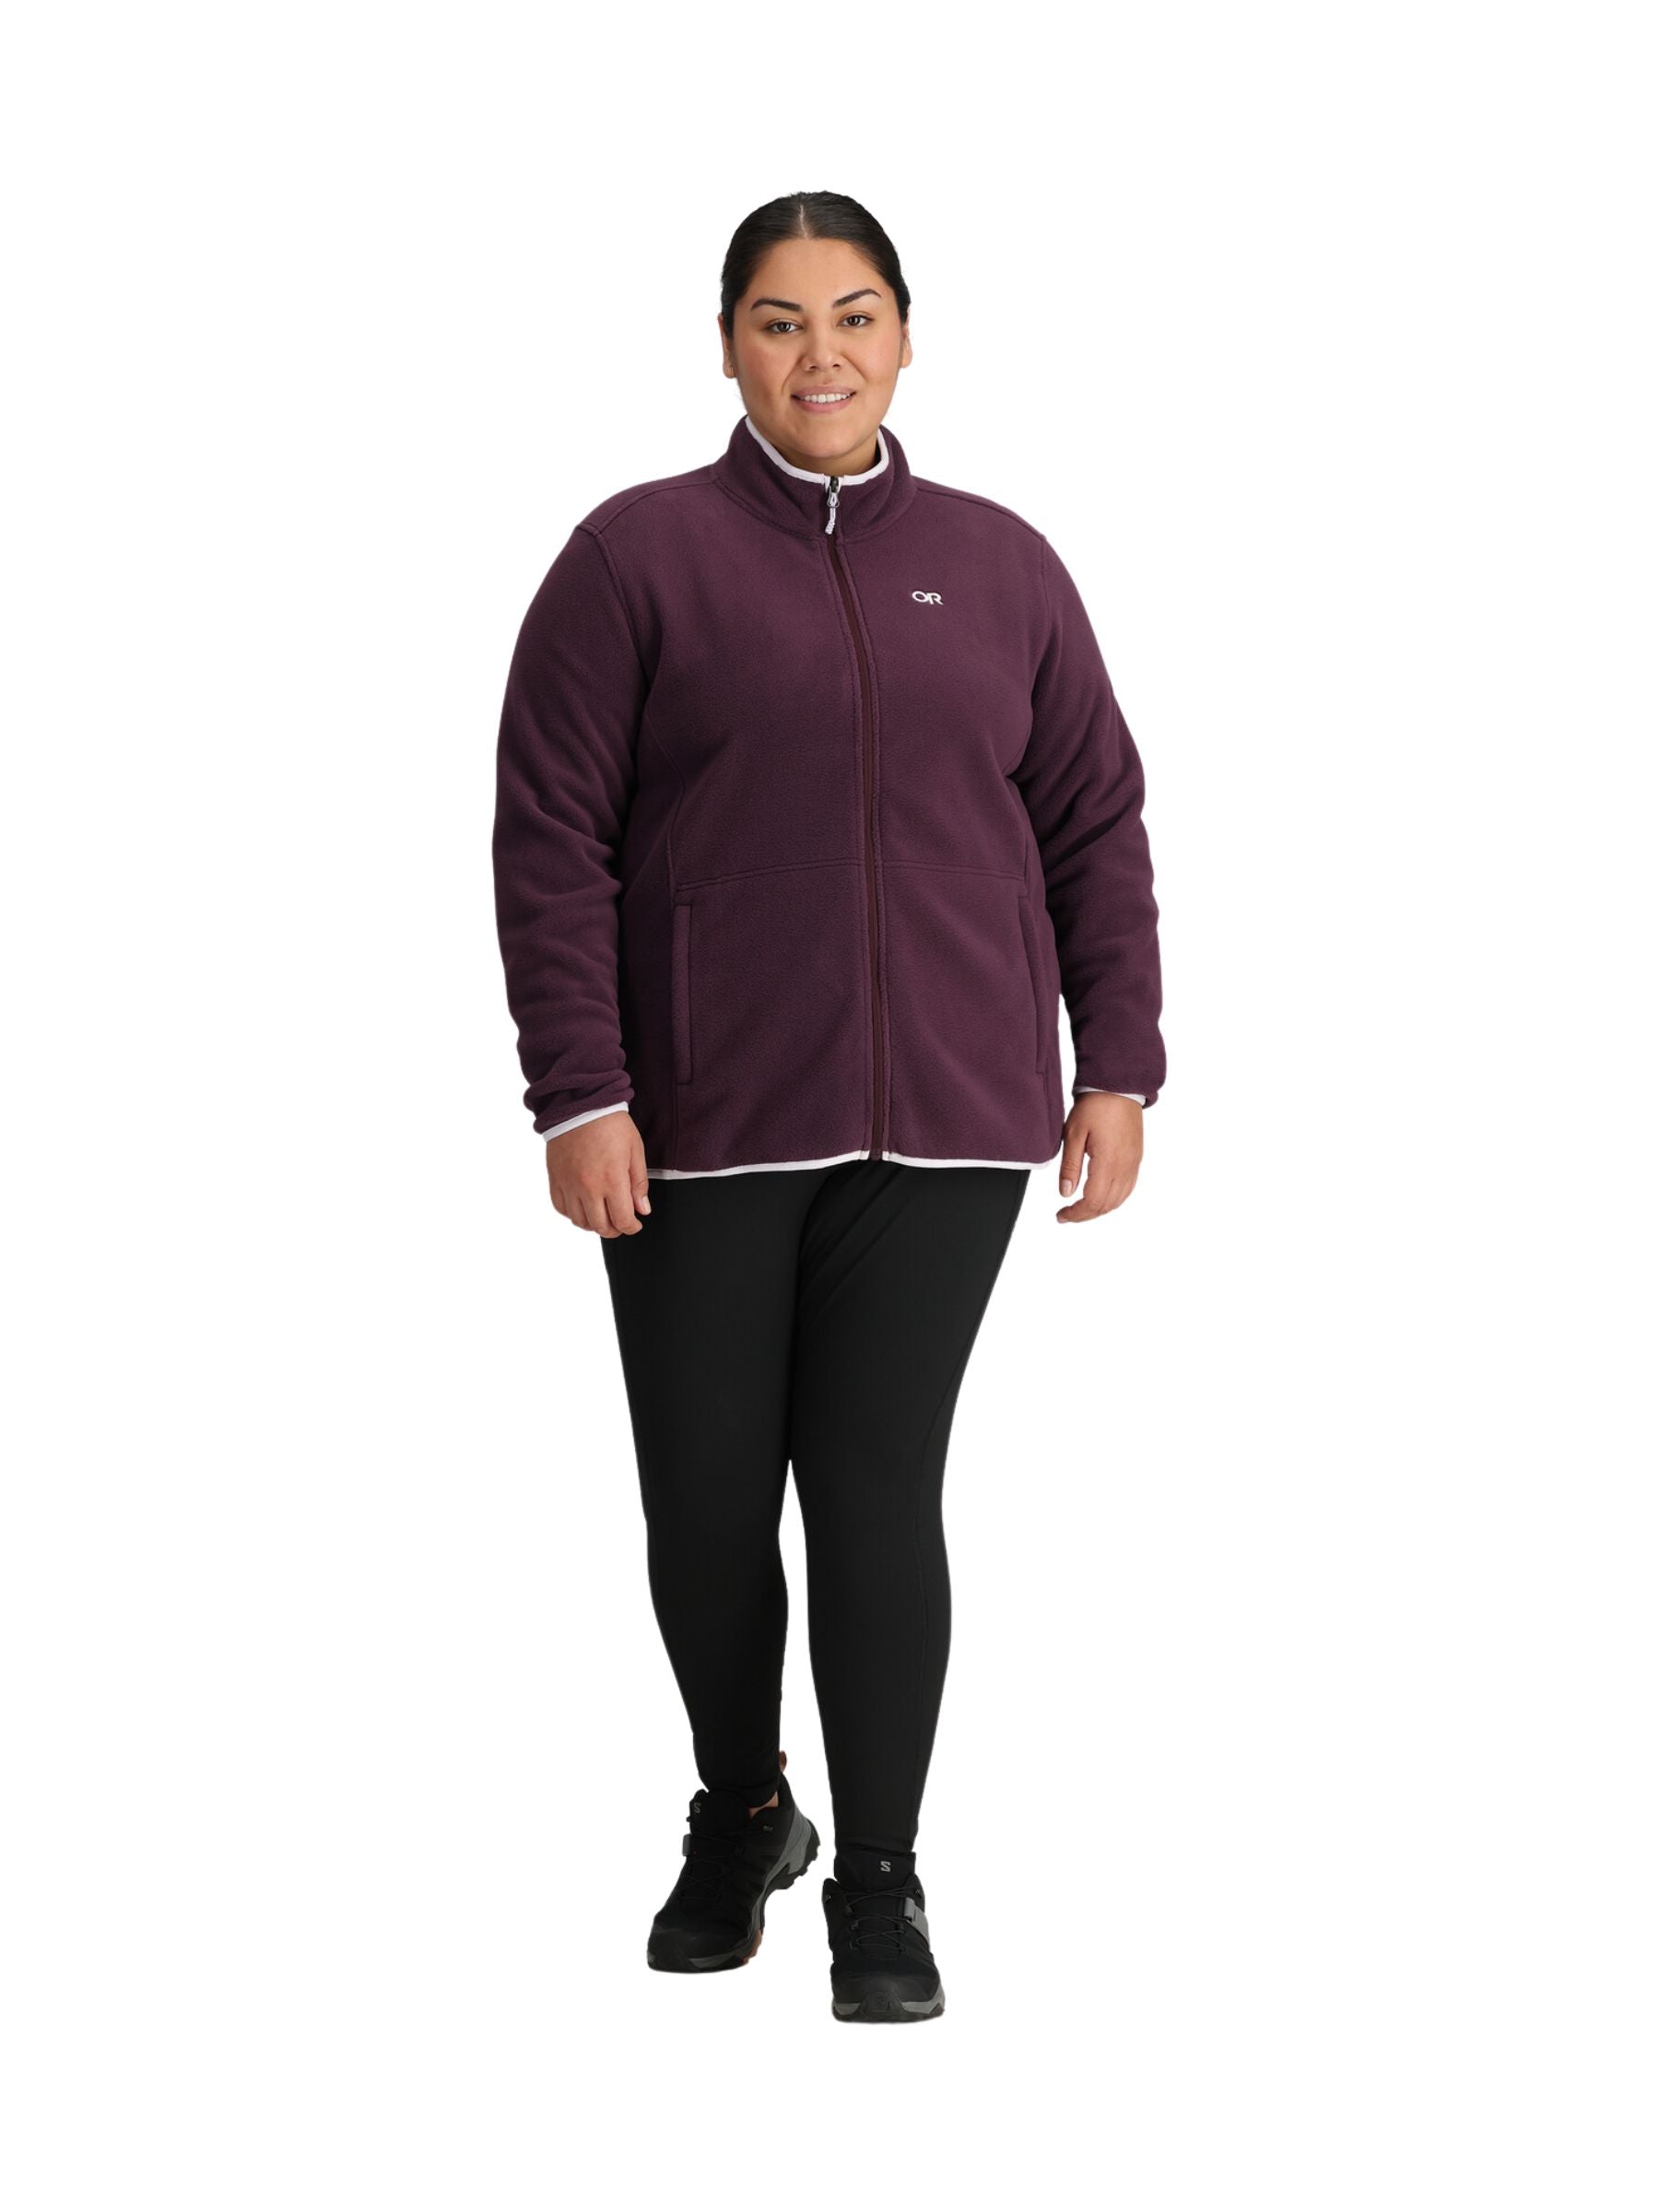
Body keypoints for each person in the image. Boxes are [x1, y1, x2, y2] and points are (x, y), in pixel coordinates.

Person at [492, 192, 1166, 2023]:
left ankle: (880, 1876)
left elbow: (1093, 821)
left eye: (855, 315)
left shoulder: (1004, 565)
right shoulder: (634, 559)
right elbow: (551, 838)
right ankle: (743, 1815)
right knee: (707, 1507)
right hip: (696, 1122)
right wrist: (581, 1090)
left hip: (950, 1119)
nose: (822, 354)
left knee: (874, 1495)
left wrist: (1116, 1060)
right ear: (727, 345)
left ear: (908, 335)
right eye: (781, 320)